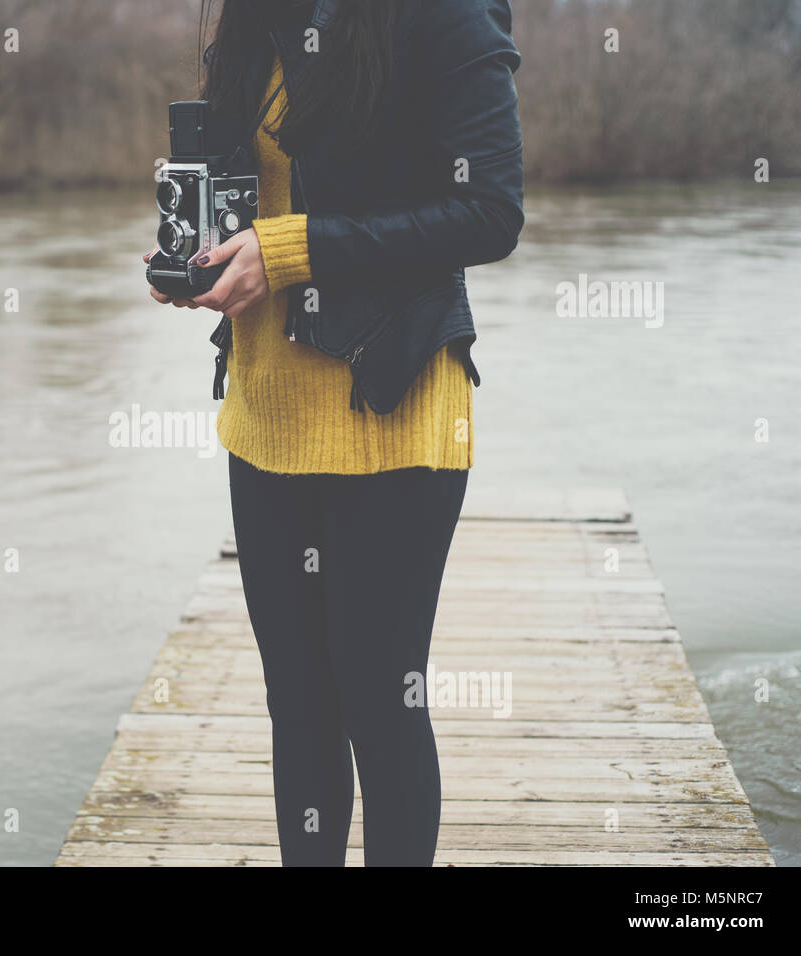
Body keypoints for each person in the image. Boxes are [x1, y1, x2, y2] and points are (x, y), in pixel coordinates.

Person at [143, 0, 524, 866]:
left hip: (392, 409)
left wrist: (291, 252)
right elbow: (257, 203)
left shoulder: (443, 14)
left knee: (381, 709)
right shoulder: (255, 19)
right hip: (266, 418)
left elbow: (491, 213)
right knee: (301, 709)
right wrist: (196, 255)